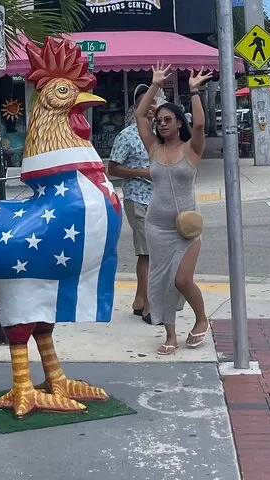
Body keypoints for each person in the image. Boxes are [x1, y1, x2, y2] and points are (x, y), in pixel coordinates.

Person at [135, 62, 213, 356]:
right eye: (159, 121)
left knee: (181, 279)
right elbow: (140, 114)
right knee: (161, 282)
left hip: (187, 227)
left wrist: (194, 91)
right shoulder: (154, 148)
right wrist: (154, 84)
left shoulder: (192, 149)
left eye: (168, 120)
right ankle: (170, 334)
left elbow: (201, 125)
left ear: (180, 122)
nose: (162, 124)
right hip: (157, 226)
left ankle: (201, 318)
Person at [108, 84, 155, 324]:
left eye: (154, 101)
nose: (151, 106)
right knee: (147, 253)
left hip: (160, 201)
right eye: (146, 102)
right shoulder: (127, 135)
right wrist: (141, 172)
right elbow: (113, 168)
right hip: (138, 198)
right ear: (137, 107)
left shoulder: (162, 131)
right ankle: (148, 306)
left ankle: (138, 300)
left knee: (155, 252)